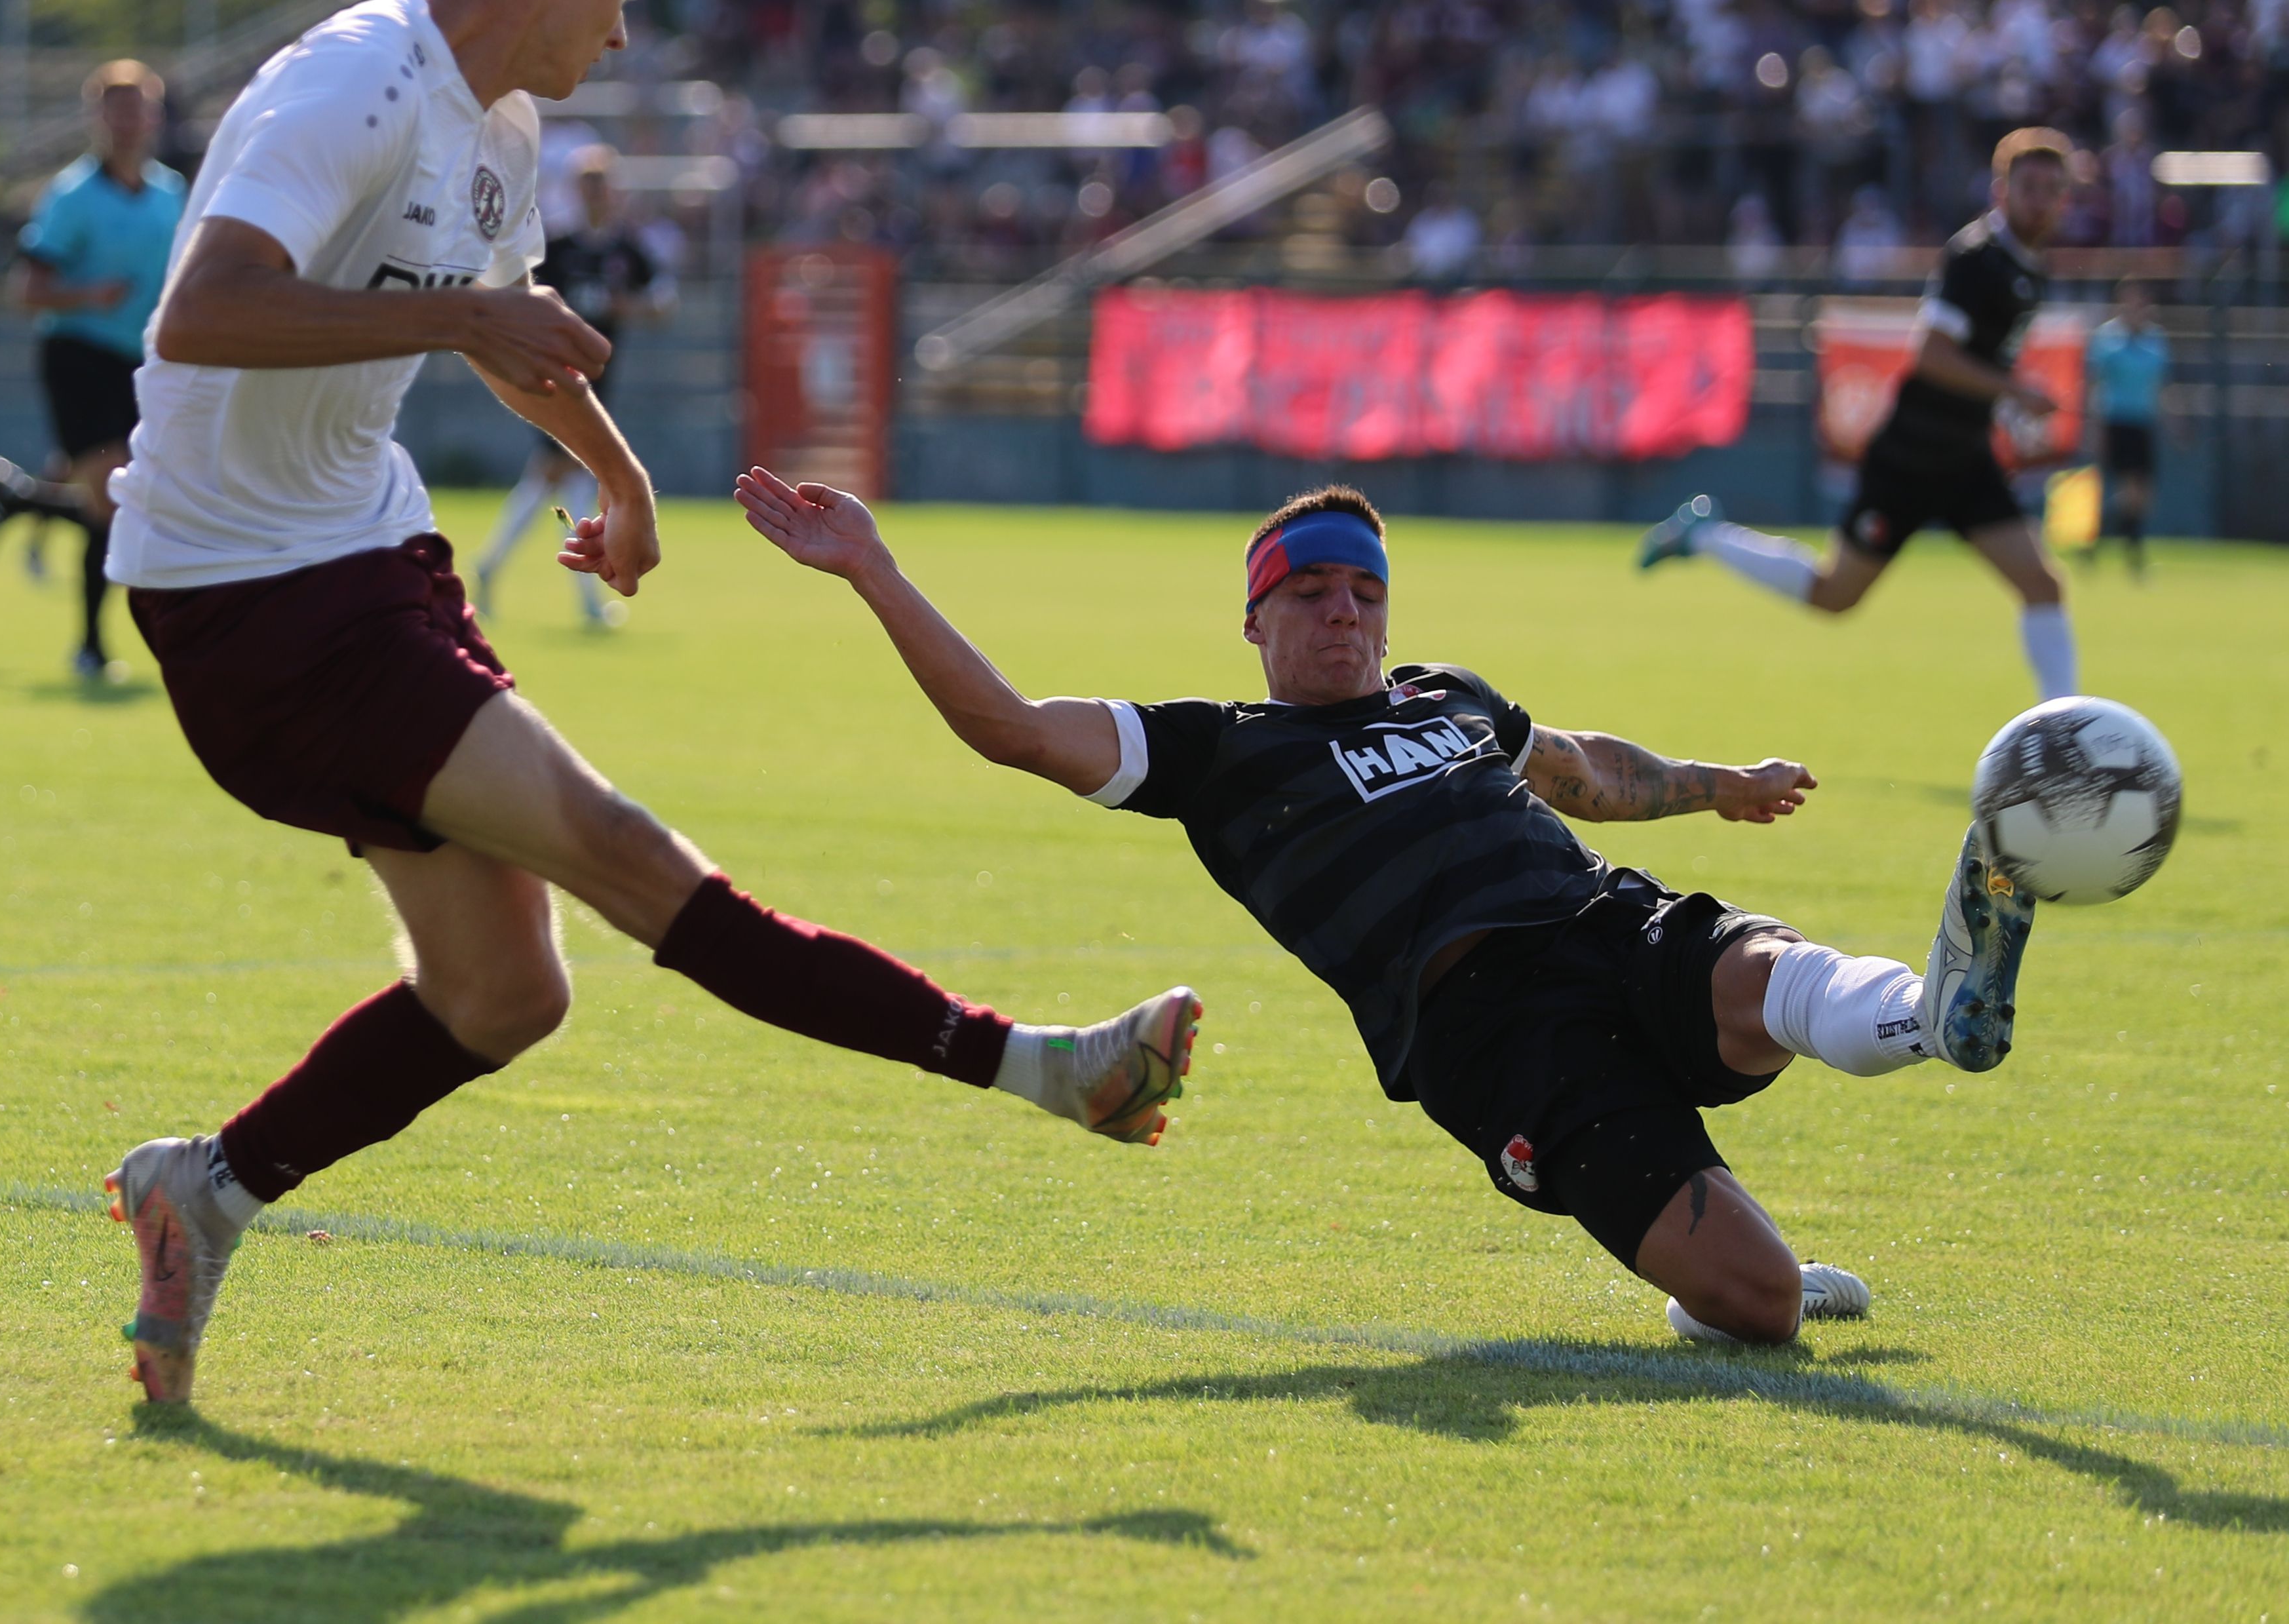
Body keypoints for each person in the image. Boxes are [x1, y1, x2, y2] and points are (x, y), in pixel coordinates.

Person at [94, 0, 1200, 1405]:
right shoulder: (355, 82)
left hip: (364, 560)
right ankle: (1045, 1070)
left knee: (504, 995)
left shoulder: (501, 131)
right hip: (248, 599)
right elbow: (201, 317)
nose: (626, 27)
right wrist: (484, 313)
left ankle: (206, 1188)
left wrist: (617, 474)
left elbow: (500, 334)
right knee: (625, 855)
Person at [738, 473, 2045, 1346]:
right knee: (1763, 1305)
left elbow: (1579, 768)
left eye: (1364, 590)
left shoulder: (1446, 695)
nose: (1344, 613)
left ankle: (1942, 1008)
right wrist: (873, 568)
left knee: (1763, 971)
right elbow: (1012, 726)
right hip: (1494, 1035)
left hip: (1606, 922)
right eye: (1310, 592)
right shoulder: (1219, 751)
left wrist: (1720, 784)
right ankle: (1725, 1290)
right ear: (1254, 618)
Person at [1638, 127, 2081, 703]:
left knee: (2042, 584)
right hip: (1912, 456)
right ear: (2001, 191)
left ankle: (2062, 731)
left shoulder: (2030, 267)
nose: (2041, 200)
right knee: (1834, 595)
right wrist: (2014, 391)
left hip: (1967, 457)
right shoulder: (1976, 258)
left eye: (2053, 189)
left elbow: (1979, 362)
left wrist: (2005, 403)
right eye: (2030, 187)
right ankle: (1706, 537)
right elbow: (1932, 354)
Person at [0, 60, 186, 678]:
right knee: (112, 496)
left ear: (155, 116)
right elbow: (26, 289)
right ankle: (91, 647)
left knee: (121, 501)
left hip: (141, 361)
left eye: (139, 109)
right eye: (115, 111)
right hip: (79, 357)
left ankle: (19, 499)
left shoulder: (171, 194)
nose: (128, 123)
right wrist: (88, 296)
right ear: (97, 119)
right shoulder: (72, 195)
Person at [470, 145, 666, 629]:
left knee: (546, 483)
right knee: (578, 481)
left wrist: (627, 307)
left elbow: (664, 300)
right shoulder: (559, 246)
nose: (596, 192)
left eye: (603, 182)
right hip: (559, 381)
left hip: (602, 384)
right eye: (588, 182)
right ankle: (588, 598)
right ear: (578, 190)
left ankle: (491, 567)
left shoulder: (625, 250)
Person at [2085, 277, 2169, 575]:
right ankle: (2133, 556)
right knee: (2127, 491)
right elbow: (2094, 385)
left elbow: (2161, 386)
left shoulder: (2156, 340)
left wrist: (2176, 421)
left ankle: (2094, 543)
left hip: (2143, 422)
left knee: (2141, 496)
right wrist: (2094, 428)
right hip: (2116, 421)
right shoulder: (2108, 340)